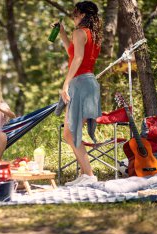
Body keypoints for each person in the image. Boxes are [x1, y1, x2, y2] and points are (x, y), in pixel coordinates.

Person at [57, 1, 102, 185]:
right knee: (71, 132)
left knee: (70, 132)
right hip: (89, 83)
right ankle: (85, 175)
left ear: (83, 15)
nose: (73, 17)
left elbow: (78, 58)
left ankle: (90, 176)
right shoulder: (93, 35)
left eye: (75, 13)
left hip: (80, 83)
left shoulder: (79, 32)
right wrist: (62, 34)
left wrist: (65, 84)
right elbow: (73, 52)